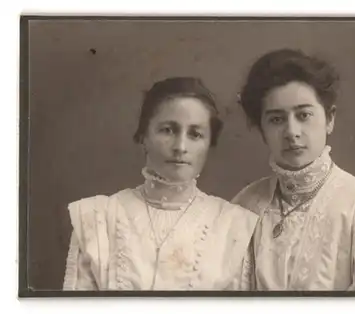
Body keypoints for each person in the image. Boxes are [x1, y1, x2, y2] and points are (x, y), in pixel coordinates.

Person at [232, 49, 355, 291]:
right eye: (276, 119)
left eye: (304, 115)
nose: (292, 132)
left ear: (330, 119)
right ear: (262, 130)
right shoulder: (245, 206)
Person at [62, 77, 258, 291]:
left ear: (209, 143)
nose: (180, 146)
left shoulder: (234, 225)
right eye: (168, 130)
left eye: (195, 134)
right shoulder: (96, 218)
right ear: (144, 135)